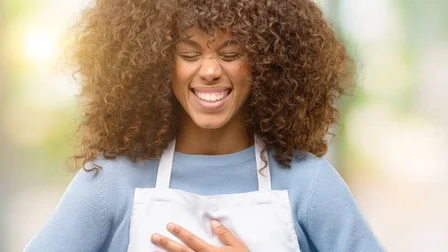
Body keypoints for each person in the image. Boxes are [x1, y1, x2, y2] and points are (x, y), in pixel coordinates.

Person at [25, 0, 384, 251]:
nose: (210, 71)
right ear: (156, 64)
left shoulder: (311, 185)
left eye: (230, 54)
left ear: (268, 62)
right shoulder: (110, 183)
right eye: (189, 54)